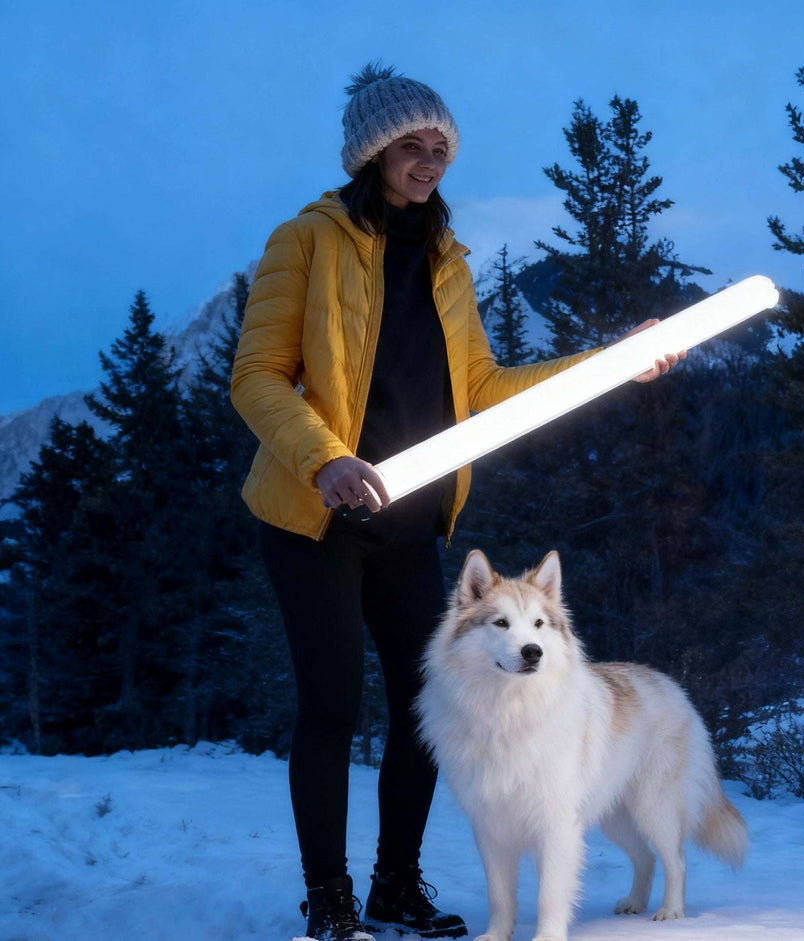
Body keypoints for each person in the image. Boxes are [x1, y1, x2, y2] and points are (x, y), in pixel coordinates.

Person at [230, 62, 683, 941]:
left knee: (420, 705)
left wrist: (610, 362)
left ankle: (396, 884)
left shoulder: (447, 261)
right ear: (373, 152)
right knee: (331, 704)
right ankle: (329, 899)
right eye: (413, 143)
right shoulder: (308, 240)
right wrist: (325, 459)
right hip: (314, 513)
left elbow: (486, 384)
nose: (430, 158)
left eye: (442, 146)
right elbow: (256, 377)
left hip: (408, 520)